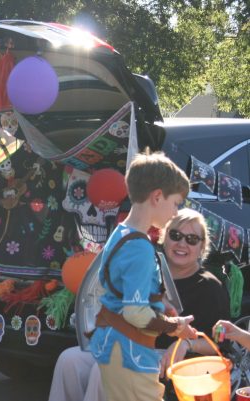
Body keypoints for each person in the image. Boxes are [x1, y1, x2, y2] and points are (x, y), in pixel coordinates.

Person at [49, 208, 230, 401]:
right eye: (175, 235)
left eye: (192, 239)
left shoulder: (210, 287)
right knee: (69, 360)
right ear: (163, 237)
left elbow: (221, 344)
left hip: (171, 360)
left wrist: (186, 343)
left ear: (202, 247)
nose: (182, 243)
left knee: (104, 370)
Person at [89, 150, 196, 401]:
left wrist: (162, 307)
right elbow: (135, 312)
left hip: (115, 346)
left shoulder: (122, 233)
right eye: (176, 203)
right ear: (157, 197)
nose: (175, 212)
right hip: (129, 350)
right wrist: (175, 327)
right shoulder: (139, 247)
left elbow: (127, 293)